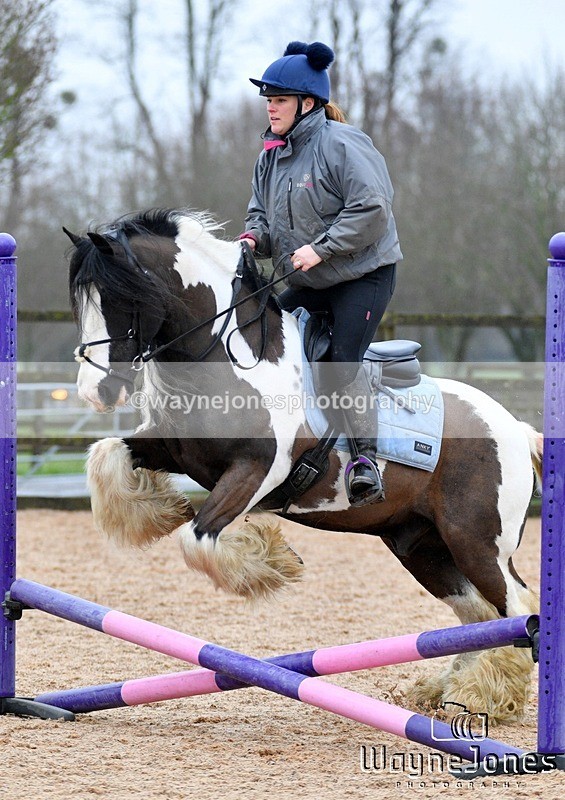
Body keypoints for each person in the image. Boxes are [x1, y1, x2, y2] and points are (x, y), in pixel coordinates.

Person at [239, 41, 402, 505]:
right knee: (259, 334)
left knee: (339, 359)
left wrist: (323, 248)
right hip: (310, 281)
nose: (271, 108)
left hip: (361, 277)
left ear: (306, 104)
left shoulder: (343, 143)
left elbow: (372, 209)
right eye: (268, 100)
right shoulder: (269, 156)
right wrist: (253, 239)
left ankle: (364, 462)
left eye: (279, 100)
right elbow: (261, 217)